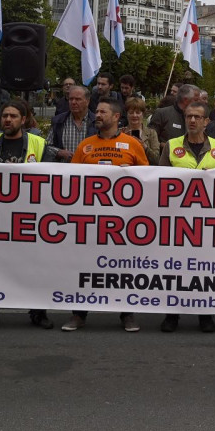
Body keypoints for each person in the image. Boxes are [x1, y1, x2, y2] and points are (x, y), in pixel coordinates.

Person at [0, 99, 56, 330]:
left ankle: (38, 312)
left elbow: (51, 178)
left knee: (34, 265)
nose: (7, 119)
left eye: (13, 116)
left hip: (29, 218)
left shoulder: (39, 143)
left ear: (23, 120)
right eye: (5, 115)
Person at [63, 98, 146, 334]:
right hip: (91, 220)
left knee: (123, 268)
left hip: (124, 222)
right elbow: (73, 179)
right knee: (86, 267)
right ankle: (79, 314)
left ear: (116, 117)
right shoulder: (85, 146)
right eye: (96, 111)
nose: (97, 115)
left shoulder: (133, 144)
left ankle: (127, 314)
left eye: (102, 112)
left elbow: (147, 179)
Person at [160, 101, 215, 333]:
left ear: (207, 122)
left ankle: (205, 314)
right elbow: (159, 181)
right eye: (189, 116)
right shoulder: (171, 146)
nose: (192, 121)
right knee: (175, 268)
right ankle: (172, 314)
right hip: (177, 220)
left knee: (206, 269)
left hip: (208, 221)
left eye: (197, 117)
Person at [50, 85, 93, 161]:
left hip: (89, 169)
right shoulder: (58, 121)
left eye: (78, 99)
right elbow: (47, 146)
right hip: (64, 170)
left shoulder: (96, 122)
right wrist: (59, 152)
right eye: (71, 99)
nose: (73, 102)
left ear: (87, 101)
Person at [122, 97, 159, 162]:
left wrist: (145, 147)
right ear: (127, 114)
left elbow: (157, 159)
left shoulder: (151, 133)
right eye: (131, 112)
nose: (134, 115)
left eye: (138, 112)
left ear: (143, 114)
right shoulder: (120, 132)